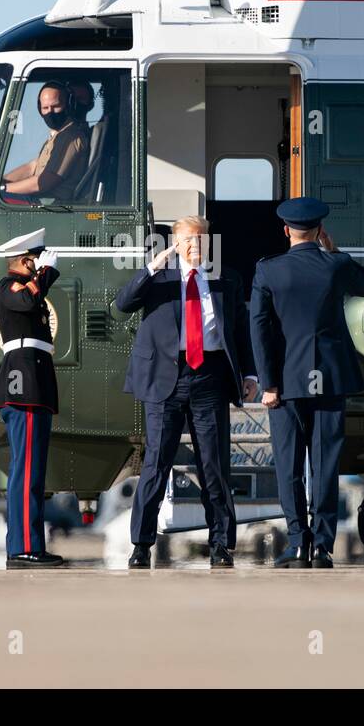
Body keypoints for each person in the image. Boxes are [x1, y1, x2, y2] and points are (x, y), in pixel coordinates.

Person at [114, 215, 259, 569]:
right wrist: (153, 266)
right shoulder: (159, 278)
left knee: (214, 465)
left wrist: (250, 372)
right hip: (166, 378)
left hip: (209, 378)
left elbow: (240, 330)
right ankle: (141, 545)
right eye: (189, 241)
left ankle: (222, 544)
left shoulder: (227, 279)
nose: (196, 247)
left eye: (202, 241)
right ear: (176, 243)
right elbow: (123, 304)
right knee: (156, 465)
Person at [250, 197, 364, 569]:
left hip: (286, 383)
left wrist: (268, 383)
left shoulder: (268, 271)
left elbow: (259, 330)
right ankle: (322, 546)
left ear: (286, 230)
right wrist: (335, 252)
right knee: (325, 464)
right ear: (320, 231)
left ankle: (295, 544)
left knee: (288, 465)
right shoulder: (336, 265)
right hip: (331, 377)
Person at [0, 227, 65, 568]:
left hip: (35, 377)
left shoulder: (23, 286)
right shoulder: (8, 288)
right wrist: (46, 274)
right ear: (22, 260)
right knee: (26, 469)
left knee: (31, 469)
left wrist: (44, 274)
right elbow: (27, 300)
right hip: (24, 380)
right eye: (35, 259)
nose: (39, 264)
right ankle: (23, 548)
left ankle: (28, 544)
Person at [0, 82, 90, 201]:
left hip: (52, 203)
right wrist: (0, 181)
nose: (50, 112)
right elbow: (32, 167)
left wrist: (2, 189)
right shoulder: (57, 135)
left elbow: (45, 182)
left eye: (56, 106)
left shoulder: (70, 137)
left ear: (68, 105)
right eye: (45, 108)